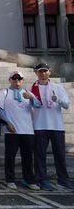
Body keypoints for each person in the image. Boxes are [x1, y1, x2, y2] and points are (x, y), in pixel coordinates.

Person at [29, 63, 74, 191]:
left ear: (49, 72)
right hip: (39, 125)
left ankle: (63, 180)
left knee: (60, 154)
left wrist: (57, 99)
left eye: (45, 71)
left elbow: (66, 105)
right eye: (40, 71)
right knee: (40, 155)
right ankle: (42, 179)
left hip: (57, 126)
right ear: (36, 73)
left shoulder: (57, 87)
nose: (43, 74)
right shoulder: (32, 88)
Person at [0, 70, 41, 190]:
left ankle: (29, 180)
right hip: (12, 131)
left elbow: (38, 105)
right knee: (10, 156)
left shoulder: (27, 92)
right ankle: (10, 179)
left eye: (19, 79)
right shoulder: (4, 92)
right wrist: (7, 122)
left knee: (27, 157)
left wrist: (31, 98)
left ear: (22, 80)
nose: (17, 81)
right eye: (14, 79)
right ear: (10, 79)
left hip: (27, 130)